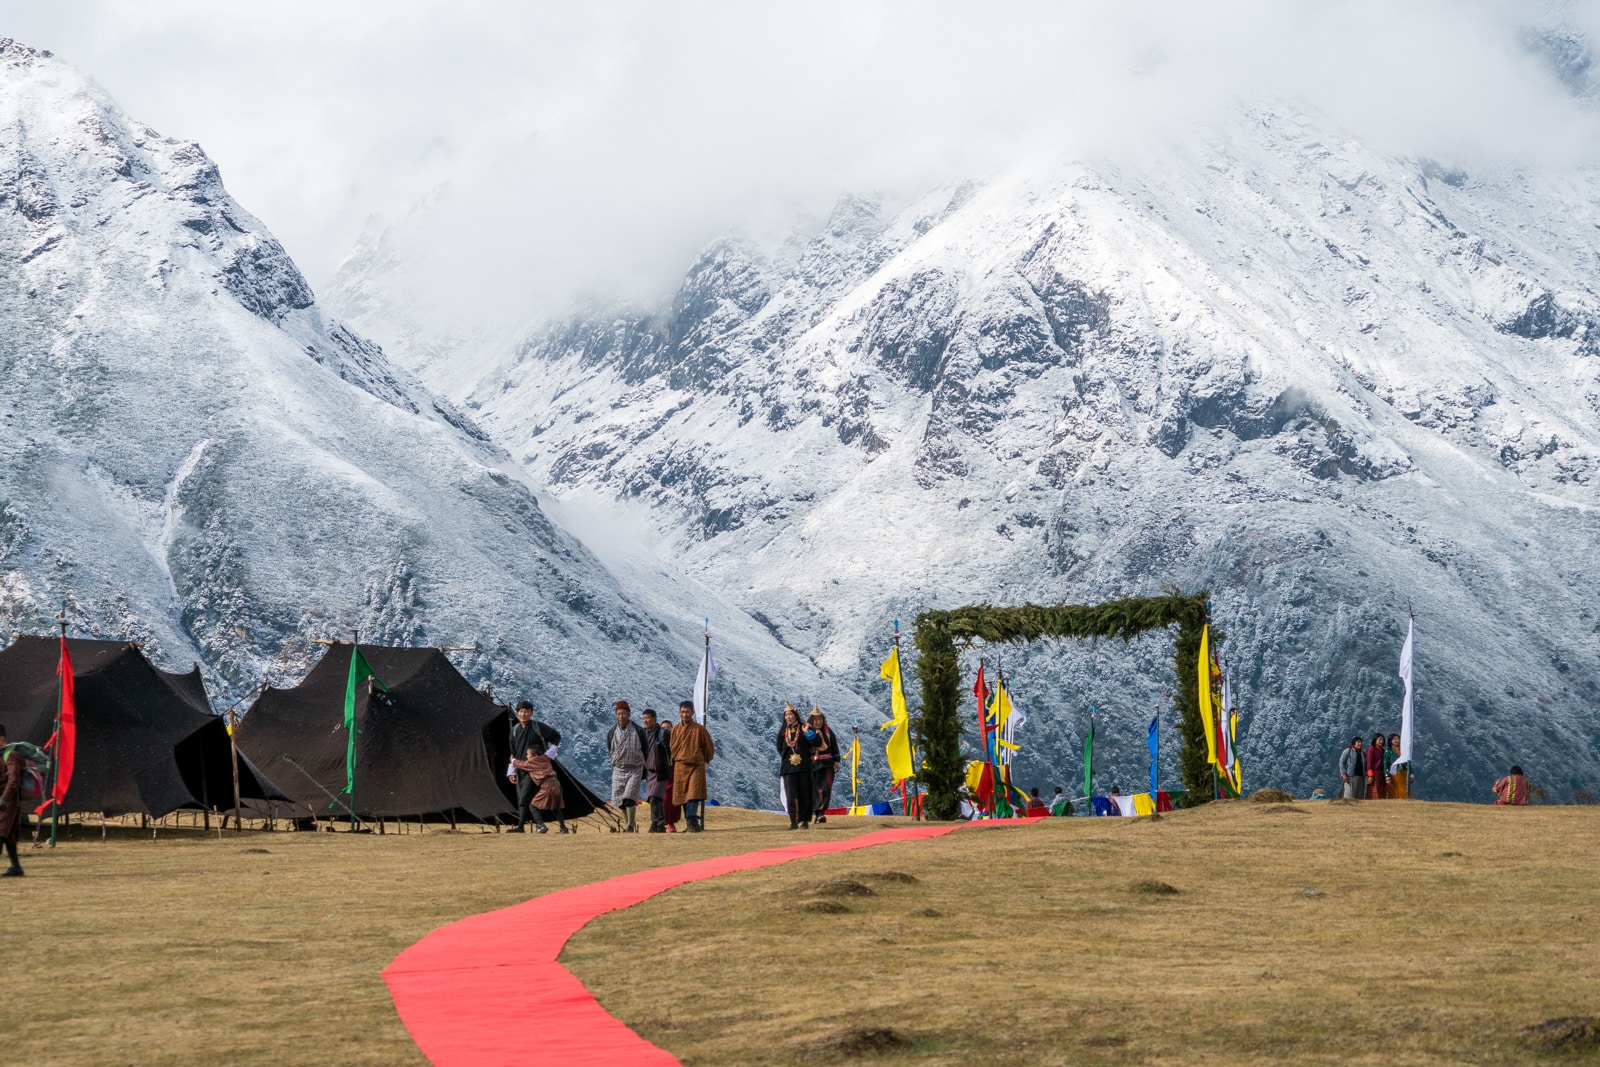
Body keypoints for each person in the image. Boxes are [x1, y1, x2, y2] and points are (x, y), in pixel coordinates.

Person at [669, 700, 715, 832]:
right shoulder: (675, 730)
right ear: (679, 713)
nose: (685, 715)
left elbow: (709, 748)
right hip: (680, 766)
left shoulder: (699, 730)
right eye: (682, 712)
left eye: (687, 712)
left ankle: (692, 822)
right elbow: (672, 748)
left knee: (693, 795)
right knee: (683, 796)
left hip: (696, 766)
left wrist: (705, 761)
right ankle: (690, 823)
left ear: (692, 712)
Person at [606, 700, 647, 833]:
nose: (621, 716)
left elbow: (645, 749)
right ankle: (628, 823)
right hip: (619, 768)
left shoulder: (638, 731)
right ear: (615, 715)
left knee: (630, 797)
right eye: (618, 714)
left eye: (623, 713)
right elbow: (610, 749)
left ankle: (630, 825)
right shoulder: (612, 732)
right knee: (620, 801)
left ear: (628, 715)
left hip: (635, 768)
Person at [512, 743, 568, 833]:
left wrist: (513, 760)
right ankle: (563, 828)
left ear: (535, 755)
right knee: (555, 807)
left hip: (547, 786)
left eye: (528, 755)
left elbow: (521, 764)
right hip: (556, 784)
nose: (527, 757)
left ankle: (541, 826)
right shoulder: (545, 758)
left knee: (533, 806)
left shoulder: (531, 762)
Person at [778, 704, 815, 830]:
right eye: (786, 715)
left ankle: (804, 820)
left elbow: (815, 743)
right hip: (788, 768)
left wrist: (808, 735)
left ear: (796, 716)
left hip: (804, 767)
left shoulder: (804, 728)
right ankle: (793, 821)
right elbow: (779, 746)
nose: (788, 717)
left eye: (791, 715)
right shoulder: (783, 731)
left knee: (804, 793)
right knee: (791, 795)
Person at [640, 708, 674, 833]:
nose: (646, 721)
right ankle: (657, 824)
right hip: (649, 772)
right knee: (651, 798)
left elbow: (672, 750)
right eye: (643, 718)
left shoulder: (663, 733)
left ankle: (658, 823)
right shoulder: (642, 733)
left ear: (655, 719)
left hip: (661, 770)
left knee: (655, 797)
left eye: (648, 718)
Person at [807, 708, 840, 824]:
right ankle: (814, 813)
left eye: (820, 719)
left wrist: (837, 760)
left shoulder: (828, 732)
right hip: (811, 765)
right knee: (813, 790)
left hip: (827, 764)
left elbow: (834, 746)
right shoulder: (806, 732)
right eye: (815, 720)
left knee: (825, 789)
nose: (818, 722)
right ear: (811, 720)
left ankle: (820, 814)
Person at [0, 724, 25, 877]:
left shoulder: (12, 755)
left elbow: (14, 780)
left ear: (1, 738)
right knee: (8, 835)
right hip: (3, 801)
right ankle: (16, 867)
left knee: (1, 832)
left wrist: (4, 798)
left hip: (7, 802)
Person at [1364, 734, 1388, 800]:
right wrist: (1370, 775)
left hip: (1381, 773)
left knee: (1381, 790)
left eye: (1382, 740)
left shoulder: (1382, 750)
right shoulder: (1371, 749)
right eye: (1379, 739)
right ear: (1375, 740)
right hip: (1374, 772)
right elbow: (1369, 762)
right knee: (1374, 790)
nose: (1381, 741)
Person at [1388, 733, 1408, 799]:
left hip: (1404, 772)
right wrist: (1387, 776)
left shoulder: (1403, 751)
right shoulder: (1388, 751)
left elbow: (1408, 762)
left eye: (1398, 739)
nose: (1397, 740)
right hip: (1394, 773)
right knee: (1395, 789)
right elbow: (1385, 765)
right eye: (1395, 739)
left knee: (1405, 788)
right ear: (1391, 741)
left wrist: (1411, 774)